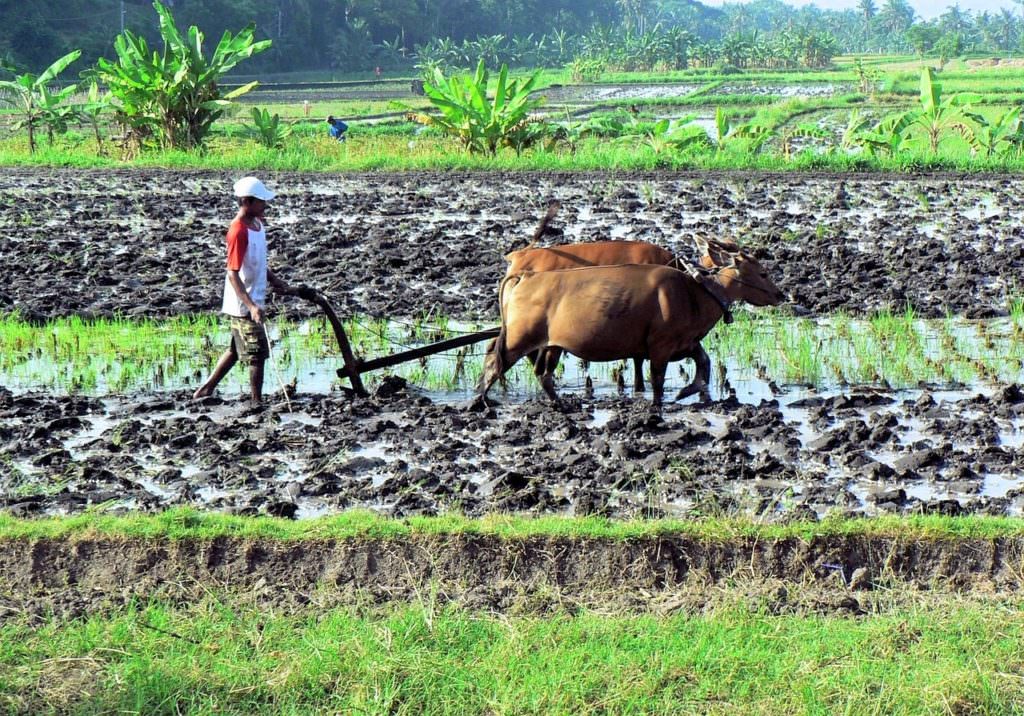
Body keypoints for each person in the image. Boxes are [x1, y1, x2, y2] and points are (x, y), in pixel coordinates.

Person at [193, 176, 293, 404]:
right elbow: (232, 273)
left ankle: (205, 389)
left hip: (254, 296)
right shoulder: (238, 231)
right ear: (246, 202)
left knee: (236, 350)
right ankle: (257, 401)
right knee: (257, 354)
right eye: (260, 201)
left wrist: (276, 282)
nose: (265, 205)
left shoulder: (258, 225)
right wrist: (251, 306)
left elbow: (258, 262)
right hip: (243, 303)